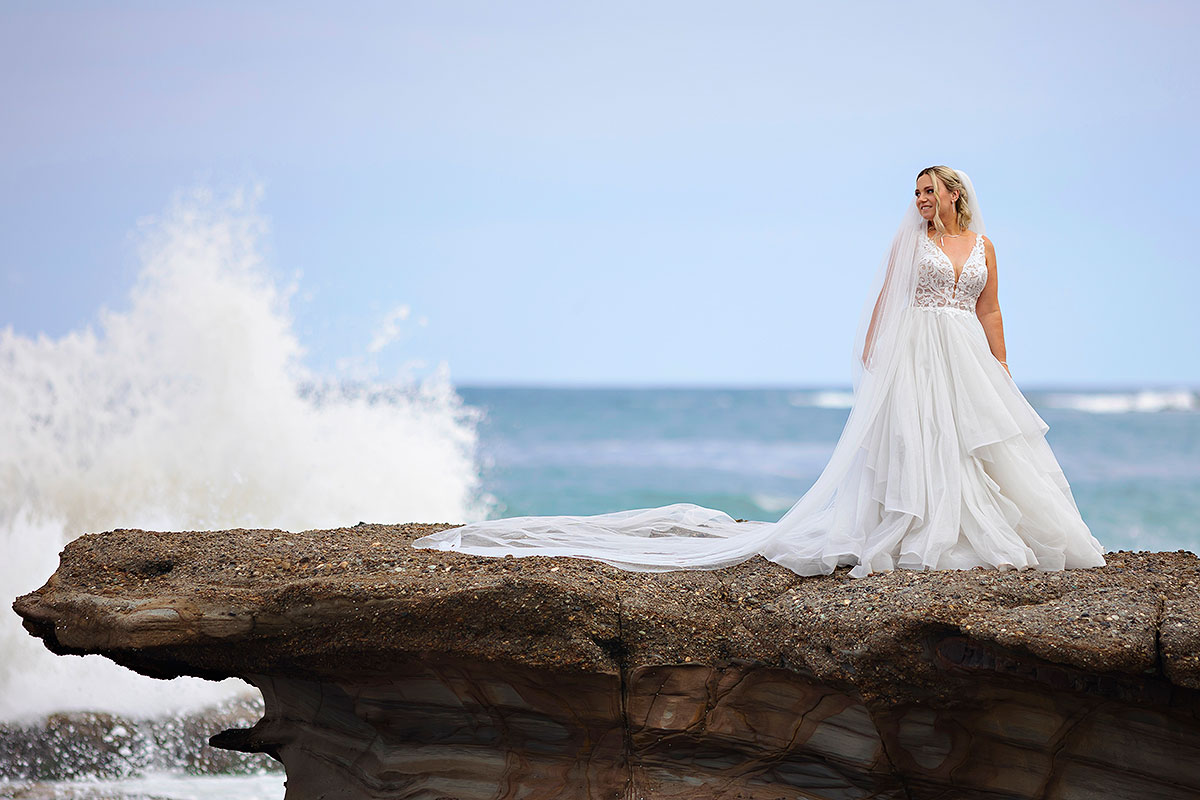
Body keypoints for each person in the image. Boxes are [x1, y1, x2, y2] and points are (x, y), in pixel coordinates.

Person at [414, 167, 1107, 579]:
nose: (922, 201)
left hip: (966, 351)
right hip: (920, 351)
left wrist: (1003, 365)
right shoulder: (913, 243)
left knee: (978, 443)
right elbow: (885, 303)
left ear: (955, 192)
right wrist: (875, 351)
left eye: (930, 192)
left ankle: (976, 527)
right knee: (925, 441)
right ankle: (928, 528)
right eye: (916, 193)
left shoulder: (983, 243)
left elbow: (990, 309)